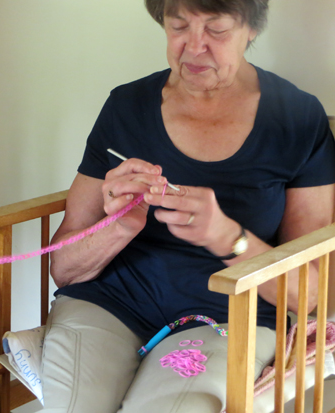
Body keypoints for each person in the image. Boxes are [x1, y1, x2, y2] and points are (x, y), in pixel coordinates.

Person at [40, 1, 335, 412]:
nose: (194, 47)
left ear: (251, 29)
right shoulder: (126, 106)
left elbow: (312, 293)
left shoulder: (299, 118)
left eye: (216, 30)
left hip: (230, 316)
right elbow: (64, 268)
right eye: (178, 26)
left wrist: (228, 238)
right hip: (110, 304)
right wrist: (120, 225)